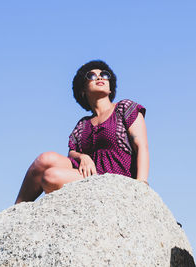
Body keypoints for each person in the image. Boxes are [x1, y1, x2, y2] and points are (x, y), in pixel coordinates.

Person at [15, 60, 149, 204]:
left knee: (50, 176)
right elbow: (71, 153)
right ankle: (14, 213)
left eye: (104, 75)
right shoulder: (83, 124)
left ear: (111, 88)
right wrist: (83, 157)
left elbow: (141, 146)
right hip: (89, 176)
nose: (99, 77)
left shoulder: (125, 108)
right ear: (83, 90)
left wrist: (141, 185)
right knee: (44, 159)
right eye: (91, 76)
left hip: (115, 179)